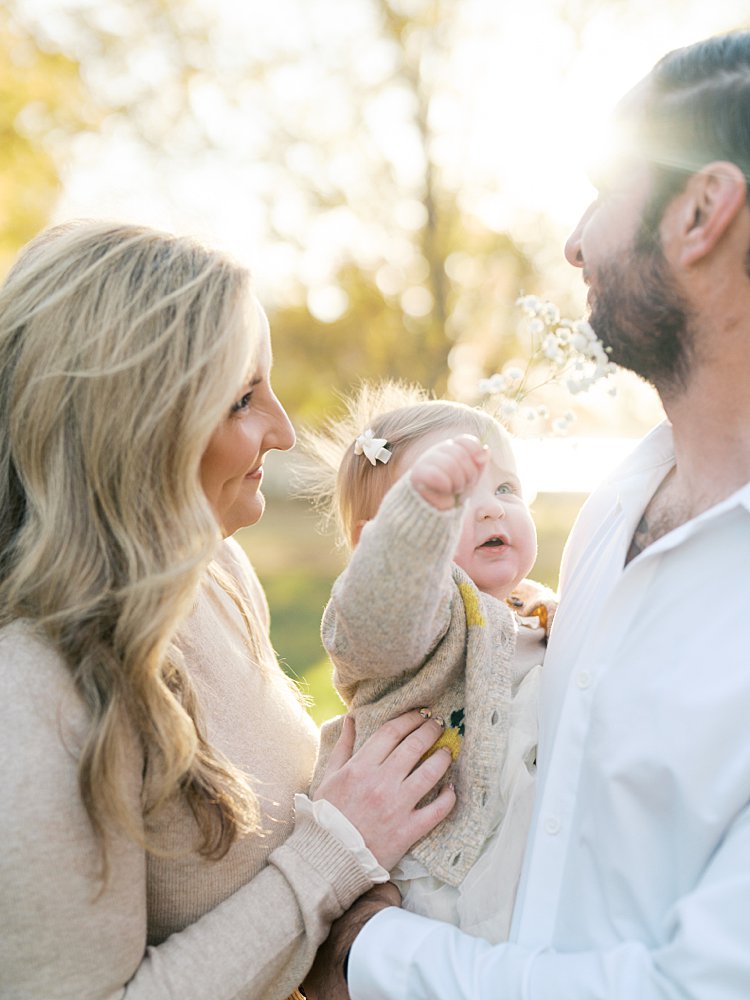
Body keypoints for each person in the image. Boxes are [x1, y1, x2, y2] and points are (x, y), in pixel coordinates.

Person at [303, 29, 750, 999]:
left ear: (703, 211)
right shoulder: (616, 507)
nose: (575, 240)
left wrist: (368, 954)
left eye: (604, 190)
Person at [0, 220, 456, 1000]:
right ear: (140, 429)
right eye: (244, 399)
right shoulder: (33, 696)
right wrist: (334, 851)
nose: (282, 430)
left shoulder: (211, 566)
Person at [302, 382, 556, 943]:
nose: (492, 506)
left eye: (508, 487)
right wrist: (411, 542)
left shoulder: (539, 612)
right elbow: (376, 618)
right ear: (376, 549)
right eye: (454, 502)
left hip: (531, 863)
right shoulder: (423, 616)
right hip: (435, 880)